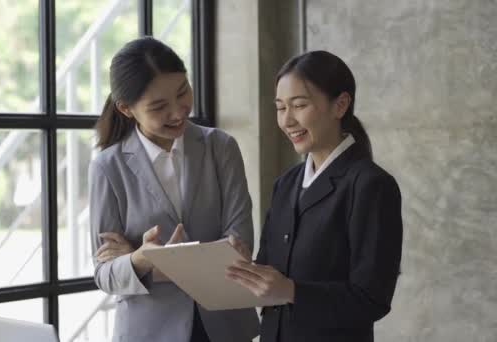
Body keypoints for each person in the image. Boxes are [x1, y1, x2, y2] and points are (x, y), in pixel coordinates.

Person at [89, 36, 259, 342]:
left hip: (226, 327)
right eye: (158, 107)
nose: (179, 112)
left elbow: (240, 248)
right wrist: (141, 258)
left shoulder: (220, 147)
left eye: (183, 92)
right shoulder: (107, 167)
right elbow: (104, 274)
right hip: (150, 332)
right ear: (127, 109)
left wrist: (147, 262)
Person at [226, 50, 403, 342]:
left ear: (340, 105)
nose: (287, 120)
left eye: (299, 105)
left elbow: (372, 298)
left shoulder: (371, 185)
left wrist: (290, 291)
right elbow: (272, 280)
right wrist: (250, 268)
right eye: (280, 108)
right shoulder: (286, 184)